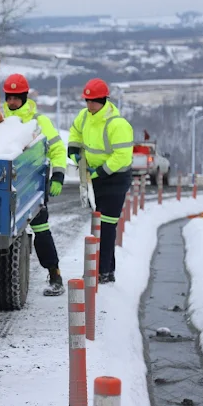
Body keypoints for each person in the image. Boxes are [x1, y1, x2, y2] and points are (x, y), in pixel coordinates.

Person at [0, 73, 68, 296]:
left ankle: (55, 274)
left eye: (17, 97)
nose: (12, 102)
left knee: (41, 230)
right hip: (4, 185)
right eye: (9, 97)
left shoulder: (40, 121)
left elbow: (57, 150)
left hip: (32, 186)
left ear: (25, 97)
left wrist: (57, 176)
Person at [67, 78, 133, 284]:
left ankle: (105, 271)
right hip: (96, 178)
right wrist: (75, 151)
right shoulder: (84, 116)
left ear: (104, 100)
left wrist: (98, 172)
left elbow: (123, 156)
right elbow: (75, 132)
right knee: (98, 223)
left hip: (115, 179)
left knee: (106, 225)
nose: (89, 105)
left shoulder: (117, 124)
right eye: (87, 101)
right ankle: (103, 269)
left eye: (93, 101)